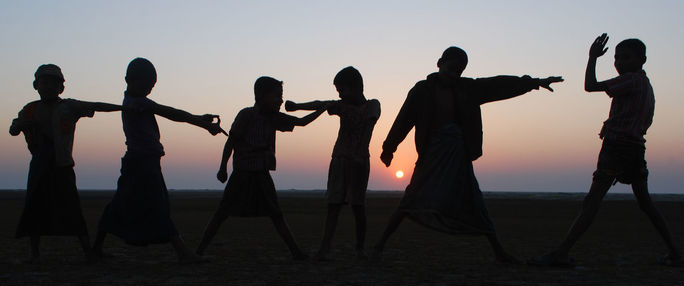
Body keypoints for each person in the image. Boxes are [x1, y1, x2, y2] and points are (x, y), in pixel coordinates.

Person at [371, 46, 563, 263]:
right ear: (439, 63)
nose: (455, 74)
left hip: (458, 156)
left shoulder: (467, 89)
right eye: (452, 68)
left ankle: (499, 252)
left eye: (459, 71)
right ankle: (379, 246)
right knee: (412, 197)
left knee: (473, 199)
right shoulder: (422, 90)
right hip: (431, 156)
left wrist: (532, 82)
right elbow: (404, 119)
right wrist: (389, 148)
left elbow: (497, 85)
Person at [531, 34, 682, 267]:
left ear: (641, 60)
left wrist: (592, 58)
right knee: (645, 203)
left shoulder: (631, 80)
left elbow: (590, 86)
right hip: (634, 148)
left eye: (626, 57)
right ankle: (674, 251)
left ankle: (562, 252)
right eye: (616, 58)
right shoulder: (644, 83)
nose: (619, 62)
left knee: (592, 201)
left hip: (618, 147)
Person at [92, 58, 225, 263]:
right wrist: (202, 123)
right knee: (157, 205)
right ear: (129, 80)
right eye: (145, 84)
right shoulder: (138, 103)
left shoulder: (134, 102)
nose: (149, 89)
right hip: (142, 163)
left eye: (151, 86)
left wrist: (199, 119)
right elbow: (172, 114)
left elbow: (173, 114)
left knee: (119, 205)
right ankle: (183, 253)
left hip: (140, 161)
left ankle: (96, 249)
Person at [195, 76, 327, 260]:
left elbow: (301, 122)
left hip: (261, 173)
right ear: (262, 96)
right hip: (242, 174)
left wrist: (322, 109)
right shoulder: (246, 115)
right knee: (222, 213)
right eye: (277, 96)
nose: (281, 100)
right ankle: (199, 250)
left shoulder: (274, 118)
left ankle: (295, 252)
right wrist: (223, 167)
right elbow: (231, 141)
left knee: (275, 213)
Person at [10, 64, 124, 263]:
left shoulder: (68, 107)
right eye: (44, 82)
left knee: (72, 208)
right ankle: (34, 253)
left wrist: (124, 107)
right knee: (34, 208)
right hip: (39, 165)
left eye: (53, 83)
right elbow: (13, 129)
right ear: (36, 85)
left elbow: (96, 105)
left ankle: (88, 251)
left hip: (62, 165)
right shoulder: (29, 110)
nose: (48, 87)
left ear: (61, 88)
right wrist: (20, 125)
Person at [284, 66, 380, 260]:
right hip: (339, 160)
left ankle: (360, 248)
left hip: (359, 161)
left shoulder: (372, 105)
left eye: (342, 90)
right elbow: (321, 104)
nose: (340, 95)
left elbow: (368, 128)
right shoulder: (342, 106)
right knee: (333, 206)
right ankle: (325, 248)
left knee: (358, 206)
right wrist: (297, 106)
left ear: (356, 87)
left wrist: (358, 153)